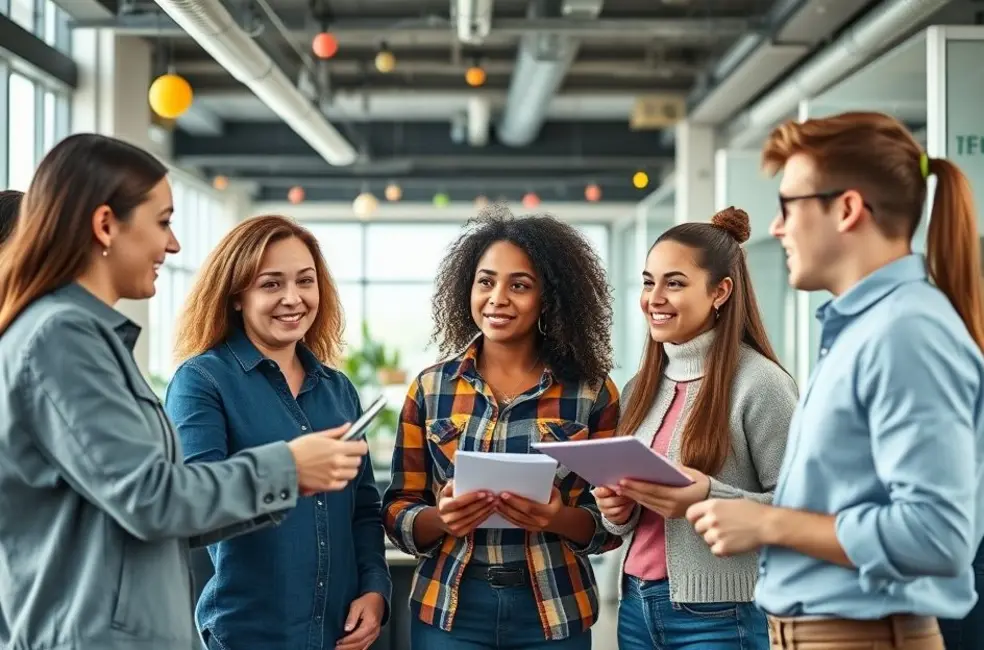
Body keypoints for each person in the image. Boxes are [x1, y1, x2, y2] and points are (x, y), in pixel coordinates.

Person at [0, 133, 371, 650]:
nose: (172, 245)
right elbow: (151, 498)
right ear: (106, 225)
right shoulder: (61, 337)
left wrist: (289, 479)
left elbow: (162, 510)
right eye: (163, 222)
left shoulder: (82, 337)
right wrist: (287, 467)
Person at [686, 112, 984, 650]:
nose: (775, 228)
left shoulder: (906, 333)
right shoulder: (863, 329)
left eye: (788, 207)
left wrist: (767, 524)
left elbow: (937, 535)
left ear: (847, 208)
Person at [382, 205, 622, 650]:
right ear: (467, 288)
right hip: (449, 607)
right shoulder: (431, 388)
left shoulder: (592, 392)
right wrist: (441, 518)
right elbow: (398, 507)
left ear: (549, 297)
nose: (497, 298)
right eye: (486, 281)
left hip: (554, 608)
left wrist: (558, 517)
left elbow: (613, 522)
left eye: (520, 285)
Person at [165, 214, 391, 650]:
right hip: (248, 635)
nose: (293, 298)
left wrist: (375, 589)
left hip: (340, 634)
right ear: (236, 296)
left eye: (305, 281)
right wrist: (288, 471)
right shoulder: (202, 381)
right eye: (271, 284)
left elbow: (363, 508)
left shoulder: (337, 388)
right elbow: (193, 505)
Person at [594, 207, 796, 650]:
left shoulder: (761, 383)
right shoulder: (639, 388)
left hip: (722, 615)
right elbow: (629, 527)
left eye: (675, 283)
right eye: (649, 282)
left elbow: (799, 511)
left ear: (720, 291)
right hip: (635, 607)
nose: (654, 297)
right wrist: (617, 509)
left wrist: (706, 496)